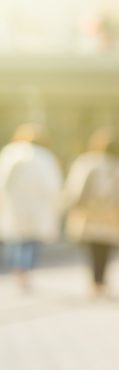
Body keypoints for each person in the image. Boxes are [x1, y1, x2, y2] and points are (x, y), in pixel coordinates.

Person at [64, 128, 119, 297]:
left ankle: (95, 281)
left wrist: (71, 206)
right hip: (113, 215)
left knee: (93, 248)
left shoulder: (86, 162)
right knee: (106, 248)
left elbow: (75, 189)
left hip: (90, 213)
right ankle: (102, 279)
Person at [0, 123, 63, 292]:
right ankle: (24, 271)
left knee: (15, 239)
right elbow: (53, 186)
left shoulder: (10, 153)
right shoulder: (45, 156)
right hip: (37, 207)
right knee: (29, 241)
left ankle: (17, 270)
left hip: (14, 205)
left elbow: (3, 181)